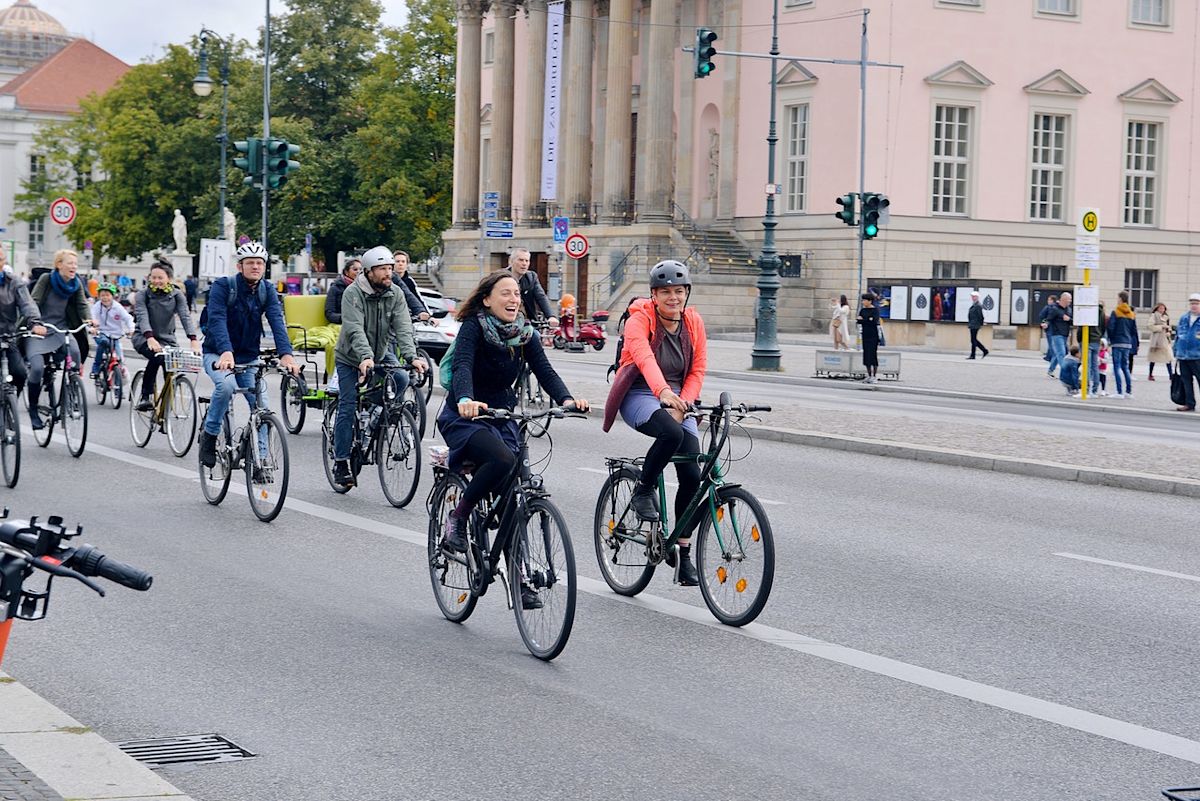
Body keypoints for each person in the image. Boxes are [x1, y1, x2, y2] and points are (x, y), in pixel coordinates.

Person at [437, 271, 588, 587]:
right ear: (487, 299)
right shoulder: (474, 327)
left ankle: (518, 579)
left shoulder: (525, 334)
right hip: (467, 417)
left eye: (517, 294)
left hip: (503, 416)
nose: (513, 299)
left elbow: (544, 370)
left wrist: (567, 399)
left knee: (512, 498)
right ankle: (459, 516)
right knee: (503, 460)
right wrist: (465, 398)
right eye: (505, 293)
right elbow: (463, 365)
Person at [602, 260, 706, 585]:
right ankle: (642, 490)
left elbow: (698, 367)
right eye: (665, 292)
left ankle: (683, 555)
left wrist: (684, 401)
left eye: (679, 291)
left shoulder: (693, 321)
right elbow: (644, 359)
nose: (673, 298)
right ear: (654, 294)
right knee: (671, 433)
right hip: (639, 393)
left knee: (692, 473)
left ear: (686, 293)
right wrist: (662, 393)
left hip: (677, 396)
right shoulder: (640, 319)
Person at [330, 246, 426, 488]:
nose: (388, 273)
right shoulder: (353, 293)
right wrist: (364, 357)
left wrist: (412, 356)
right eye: (383, 269)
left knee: (402, 380)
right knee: (347, 405)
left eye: (391, 269)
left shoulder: (395, 293)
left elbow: (403, 327)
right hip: (351, 358)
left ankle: (375, 416)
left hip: (382, 354)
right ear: (369, 271)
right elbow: (354, 328)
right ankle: (341, 461)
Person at [197, 241, 300, 467]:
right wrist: (225, 351)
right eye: (250, 263)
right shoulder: (223, 287)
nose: (255, 267)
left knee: (261, 404)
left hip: (248, 357)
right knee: (226, 387)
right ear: (239, 266)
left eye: (259, 263)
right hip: (217, 354)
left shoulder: (267, 290)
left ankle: (260, 461)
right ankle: (210, 435)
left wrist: (287, 354)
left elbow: (276, 321)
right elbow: (217, 319)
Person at [27, 249, 95, 429]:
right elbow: (33, 302)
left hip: (61, 329)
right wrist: (35, 323)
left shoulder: (76, 282)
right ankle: (33, 411)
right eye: (70, 263)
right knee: (36, 369)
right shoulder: (47, 279)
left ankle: (72, 392)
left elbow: (82, 304)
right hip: (40, 329)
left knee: (75, 353)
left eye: (75, 264)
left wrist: (89, 320)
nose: (74, 267)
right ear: (59, 265)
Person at [132, 261, 201, 411]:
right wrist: (149, 337)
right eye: (153, 277)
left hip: (167, 339)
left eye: (160, 278)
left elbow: (185, 316)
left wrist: (193, 339)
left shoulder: (177, 295)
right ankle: (146, 396)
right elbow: (142, 317)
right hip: (143, 337)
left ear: (169, 278)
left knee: (171, 366)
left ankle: (166, 405)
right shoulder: (142, 295)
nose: (156, 281)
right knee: (157, 357)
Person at [0, 250, 44, 396]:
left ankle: (9, 408)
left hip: (7, 336)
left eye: (1, 259)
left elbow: (27, 304)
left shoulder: (14, 282)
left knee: (20, 374)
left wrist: (34, 322)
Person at [89, 283, 133, 378]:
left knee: (119, 357)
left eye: (107, 295)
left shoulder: (118, 307)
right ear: (99, 296)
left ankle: (119, 374)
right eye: (102, 295)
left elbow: (127, 318)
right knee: (104, 342)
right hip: (101, 332)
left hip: (115, 335)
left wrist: (131, 329)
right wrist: (92, 327)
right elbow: (91, 318)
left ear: (113, 296)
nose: (105, 298)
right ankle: (95, 367)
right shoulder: (97, 307)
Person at [509, 248, 558, 328]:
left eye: (527, 261)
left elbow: (541, 297)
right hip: (506, 320)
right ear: (511, 261)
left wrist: (551, 316)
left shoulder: (531, 277)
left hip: (527, 321)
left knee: (536, 337)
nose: (524, 264)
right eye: (521, 260)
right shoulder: (501, 277)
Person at [1107, 291, 1137, 399]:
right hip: (1127, 342)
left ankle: (1119, 392)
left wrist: (1111, 339)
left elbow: (1111, 327)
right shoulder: (1131, 313)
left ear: (1120, 299)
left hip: (1117, 342)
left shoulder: (1115, 312)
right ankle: (1128, 391)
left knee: (1116, 367)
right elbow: (1134, 330)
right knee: (1125, 367)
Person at [1173, 293, 1200, 412]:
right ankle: (1189, 403)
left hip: (1197, 355)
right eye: (1192, 303)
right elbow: (1178, 336)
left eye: (1197, 303)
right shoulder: (1184, 318)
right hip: (1183, 355)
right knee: (1186, 380)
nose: (1194, 306)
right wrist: (1176, 350)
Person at [392, 249, 432, 323]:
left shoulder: (410, 281)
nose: (400, 264)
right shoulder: (387, 280)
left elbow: (416, 298)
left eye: (403, 261)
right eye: (397, 261)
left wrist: (426, 314)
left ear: (407, 264)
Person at [324, 255, 360, 324]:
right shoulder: (335, 288)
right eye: (355, 269)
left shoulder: (364, 288)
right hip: (342, 325)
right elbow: (329, 314)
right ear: (346, 272)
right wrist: (347, 318)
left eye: (360, 269)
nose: (358, 272)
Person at [1044, 292, 1072, 378]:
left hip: (1065, 334)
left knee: (1057, 354)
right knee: (1061, 353)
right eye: (1069, 299)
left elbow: (1072, 321)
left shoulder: (1069, 310)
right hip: (1056, 334)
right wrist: (1045, 324)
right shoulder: (1055, 309)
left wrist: (1069, 319)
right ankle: (1065, 374)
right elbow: (1048, 319)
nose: (1070, 301)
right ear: (1063, 299)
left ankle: (1050, 370)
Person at [1147, 302, 1174, 381]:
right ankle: (1150, 374)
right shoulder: (1154, 316)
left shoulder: (1166, 317)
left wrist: (1169, 331)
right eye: (1160, 308)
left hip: (1165, 340)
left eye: (1163, 308)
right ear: (1157, 309)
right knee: (1153, 358)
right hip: (1156, 340)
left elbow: (1169, 327)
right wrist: (1161, 327)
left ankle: (1171, 375)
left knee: (1168, 357)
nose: (1162, 310)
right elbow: (1150, 326)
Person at [857, 293, 880, 384]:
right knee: (866, 355)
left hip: (873, 335)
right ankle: (869, 375)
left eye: (864, 300)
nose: (863, 302)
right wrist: (865, 320)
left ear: (870, 301)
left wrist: (864, 320)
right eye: (862, 300)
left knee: (873, 355)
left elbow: (874, 321)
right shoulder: (862, 310)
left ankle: (874, 376)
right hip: (865, 335)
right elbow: (859, 320)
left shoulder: (875, 310)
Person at [966, 290, 989, 359]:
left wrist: (981, 323)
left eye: (974, 296)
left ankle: (974, 354)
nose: (973, 298)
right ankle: (984, 351)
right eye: (972, 296)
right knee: (973, 340)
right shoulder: (974, 304)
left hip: (975, 324)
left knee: (973, 340)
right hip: (972, 324)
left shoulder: (978, 305)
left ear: (977, 297)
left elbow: (980, 316)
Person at [1039, 294, 1058, 365]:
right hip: (1057, 328)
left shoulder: (1048, 307)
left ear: (1052, 300)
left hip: (1049, 328)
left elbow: (1041, 315)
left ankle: (1050, 357)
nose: (1048, 301)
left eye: (1049, 300)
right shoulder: (1058, 307)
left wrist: (1044, 322)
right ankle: (1048, 356)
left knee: (1051, 343)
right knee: (1053, 343)